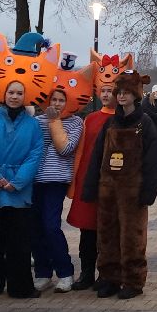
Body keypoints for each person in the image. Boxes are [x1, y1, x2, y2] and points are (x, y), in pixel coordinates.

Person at [82, 69, 157, 299]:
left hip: (133, 192)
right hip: (107, 190)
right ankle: (109, 277)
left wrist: (148, 192)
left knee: (132, 237)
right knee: (106, 235)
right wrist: (91, 187)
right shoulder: (110, 124)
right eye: (120, 92)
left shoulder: (145, 124)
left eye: (127, 92)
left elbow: (152, 161)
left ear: (136, 95)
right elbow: (97, 156)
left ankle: (133, 280)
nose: (122, 97)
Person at [0, 80, 45, 299]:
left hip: (17, 190)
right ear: (4, 94)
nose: (14, 96)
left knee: (19, 239)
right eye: (11, 92)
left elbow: (35, 155)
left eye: (19, 93)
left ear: (24, 96)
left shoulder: (32, 125)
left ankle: (20, 286)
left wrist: (18, 181)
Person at [68, 78, 116, 290]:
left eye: (110, 91)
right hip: (89, 179)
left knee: (108, 231)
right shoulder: (91, 119)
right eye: (103, 90)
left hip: (111, 182)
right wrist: (76, 178)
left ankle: (105, 274)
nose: (105, 95)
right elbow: (81, 150)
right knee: (88, 231)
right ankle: (86, 272)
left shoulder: (123, 119)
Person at [33, 85, 81, 292]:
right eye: (54, 99)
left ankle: (65, 272)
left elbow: (66, 149)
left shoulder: (75, 122)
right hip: (35, 180)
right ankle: (43, 272)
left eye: (61, 100)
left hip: (56, 179)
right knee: (35, 228)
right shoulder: (36, 121)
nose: (57, 104)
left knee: (51, 226)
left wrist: (54, 122)